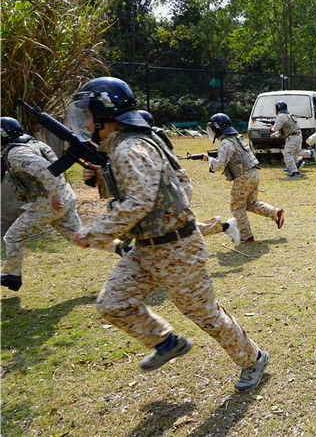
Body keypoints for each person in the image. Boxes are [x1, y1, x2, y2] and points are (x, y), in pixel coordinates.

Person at [66, 77, 269, 390]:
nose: (86, 121)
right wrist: (101, 179)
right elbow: (140, 192)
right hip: (146, 248)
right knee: (113, 303)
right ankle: (166, 342)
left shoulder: (130, 148)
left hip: (178, 248)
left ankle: (254, 359)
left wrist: (92, 233)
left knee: (207, 317)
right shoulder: (123, 146)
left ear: (104, 113)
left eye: (89, 114)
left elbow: (139, 201)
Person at [1, 117, 82, 292]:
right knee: (79, 237)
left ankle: (12, 276)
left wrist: (53, 194)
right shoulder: (35, 144)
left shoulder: (16, 153)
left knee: (14, 236)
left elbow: (46, 169)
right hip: (65, 195)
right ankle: (119, 247)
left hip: (49, 201)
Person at [135, 109, 238, 244]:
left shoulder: (152, 138)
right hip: (172, 186)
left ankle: (225, 227)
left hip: (174, 187)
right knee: (173, 227)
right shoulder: (151, 137)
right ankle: (225, 227)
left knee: (176, 228)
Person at [201, 113, 284, 244]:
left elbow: (218, 165)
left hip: (243, 176)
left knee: (236, 207)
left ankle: (246, 237)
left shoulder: (226, 143)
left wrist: (209, 160)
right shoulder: (237, 138)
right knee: (251, 203)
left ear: (217, 128)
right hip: (253, 172)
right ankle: (276, 213)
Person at [270, 101, 304, 177]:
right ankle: (292, 167)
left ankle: (294, 171)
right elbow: (283, 130)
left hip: (292, 137)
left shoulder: (281, 116)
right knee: (294, 153)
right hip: (297, 135)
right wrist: (275, 135)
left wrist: (271, 127)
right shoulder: (289, 115)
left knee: (287, 154)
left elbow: (276, 128)